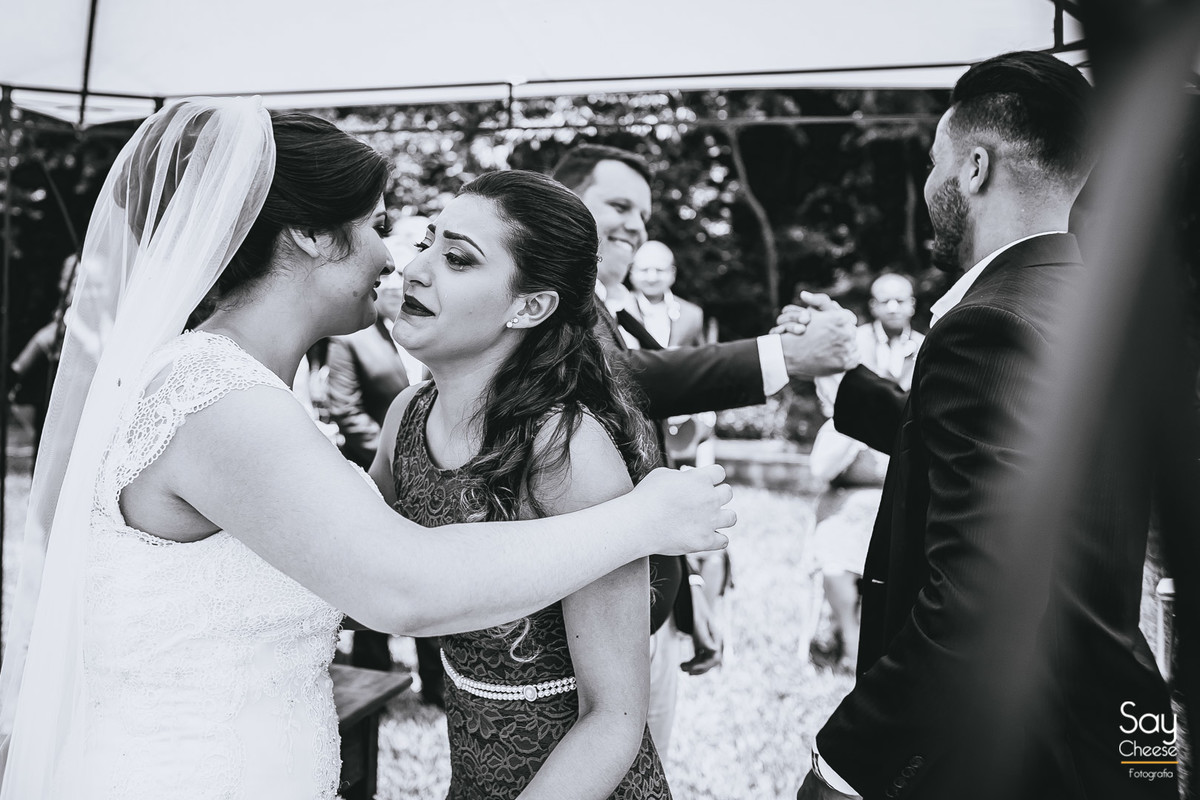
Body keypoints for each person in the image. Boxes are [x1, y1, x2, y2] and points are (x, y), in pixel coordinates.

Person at [0, 99, 735, 800]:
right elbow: (400, 586)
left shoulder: (240, 388)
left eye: (454, 255)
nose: (397, 259)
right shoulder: (225, 401)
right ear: (314, 236)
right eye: (384, 226)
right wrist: (643, 520)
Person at [785, 52, 1177, 800]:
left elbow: (980, 602)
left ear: (973, 168)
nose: (929, 184)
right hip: (1123, 728)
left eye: (934, 163)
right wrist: (842, 375)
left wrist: (844, 769)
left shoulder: (986, 326)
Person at [552, 144, 856, 758]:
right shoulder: (545, 306)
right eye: (619, 205)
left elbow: (649, 456)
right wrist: (784, 357)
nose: (637, 227)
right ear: (563, 203)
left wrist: (685, 591)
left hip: (652, 600)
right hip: (587, 627)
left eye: (644, 213)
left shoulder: (610, 310)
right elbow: (621, 377)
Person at [374, 169, 670, 799]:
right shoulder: (405, 418)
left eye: (456, 258)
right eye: (427, 242)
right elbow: (362, 572)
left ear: (529, 305)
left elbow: (614, 718)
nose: (417, 269)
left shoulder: (563, 448)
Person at [802, 274, 923, 673]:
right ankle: (852, 645)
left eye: (899, 300)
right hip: (852, 478)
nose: (891, 308)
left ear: (912, 305)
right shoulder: (854, 345)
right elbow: (832, 401)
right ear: (871, 305)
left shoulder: (927, 348)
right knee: (836, 560)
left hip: (903, 480)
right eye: (883, 301)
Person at [627, 241, 706, 349]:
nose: (652, 278)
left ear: (672, 273)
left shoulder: (692, 314)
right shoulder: (618, 307)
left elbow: (700, 358)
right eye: (644, 270)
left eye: (659, 270)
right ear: (632, 272)